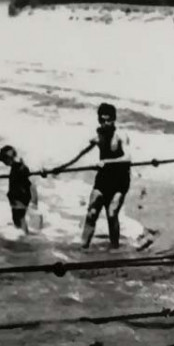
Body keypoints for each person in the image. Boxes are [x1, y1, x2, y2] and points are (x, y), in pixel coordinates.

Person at [53, 103, 132, 249]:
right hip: (103, 179)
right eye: (102, 120)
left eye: (108, 120)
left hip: (120, 181)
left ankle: (115, 248)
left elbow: (127, 159)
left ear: (114, 119)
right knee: (92, 212)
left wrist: (106, 162)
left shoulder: (122, 136)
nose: (105, 123)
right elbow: (79, 154)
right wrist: (60, 168)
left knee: (112, 214)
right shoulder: (98, 137)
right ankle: (83, 247)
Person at [0, 145, 39, 234]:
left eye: (4, 160)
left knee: (19, 218)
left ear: (8, 158)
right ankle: (24, 236)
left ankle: (25, 237)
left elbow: (31, 184)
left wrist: (34, 201)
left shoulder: (20, 168)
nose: (4, 163)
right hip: (18, 198)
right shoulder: (17, 167)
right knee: (18, 219)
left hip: (20, 198)